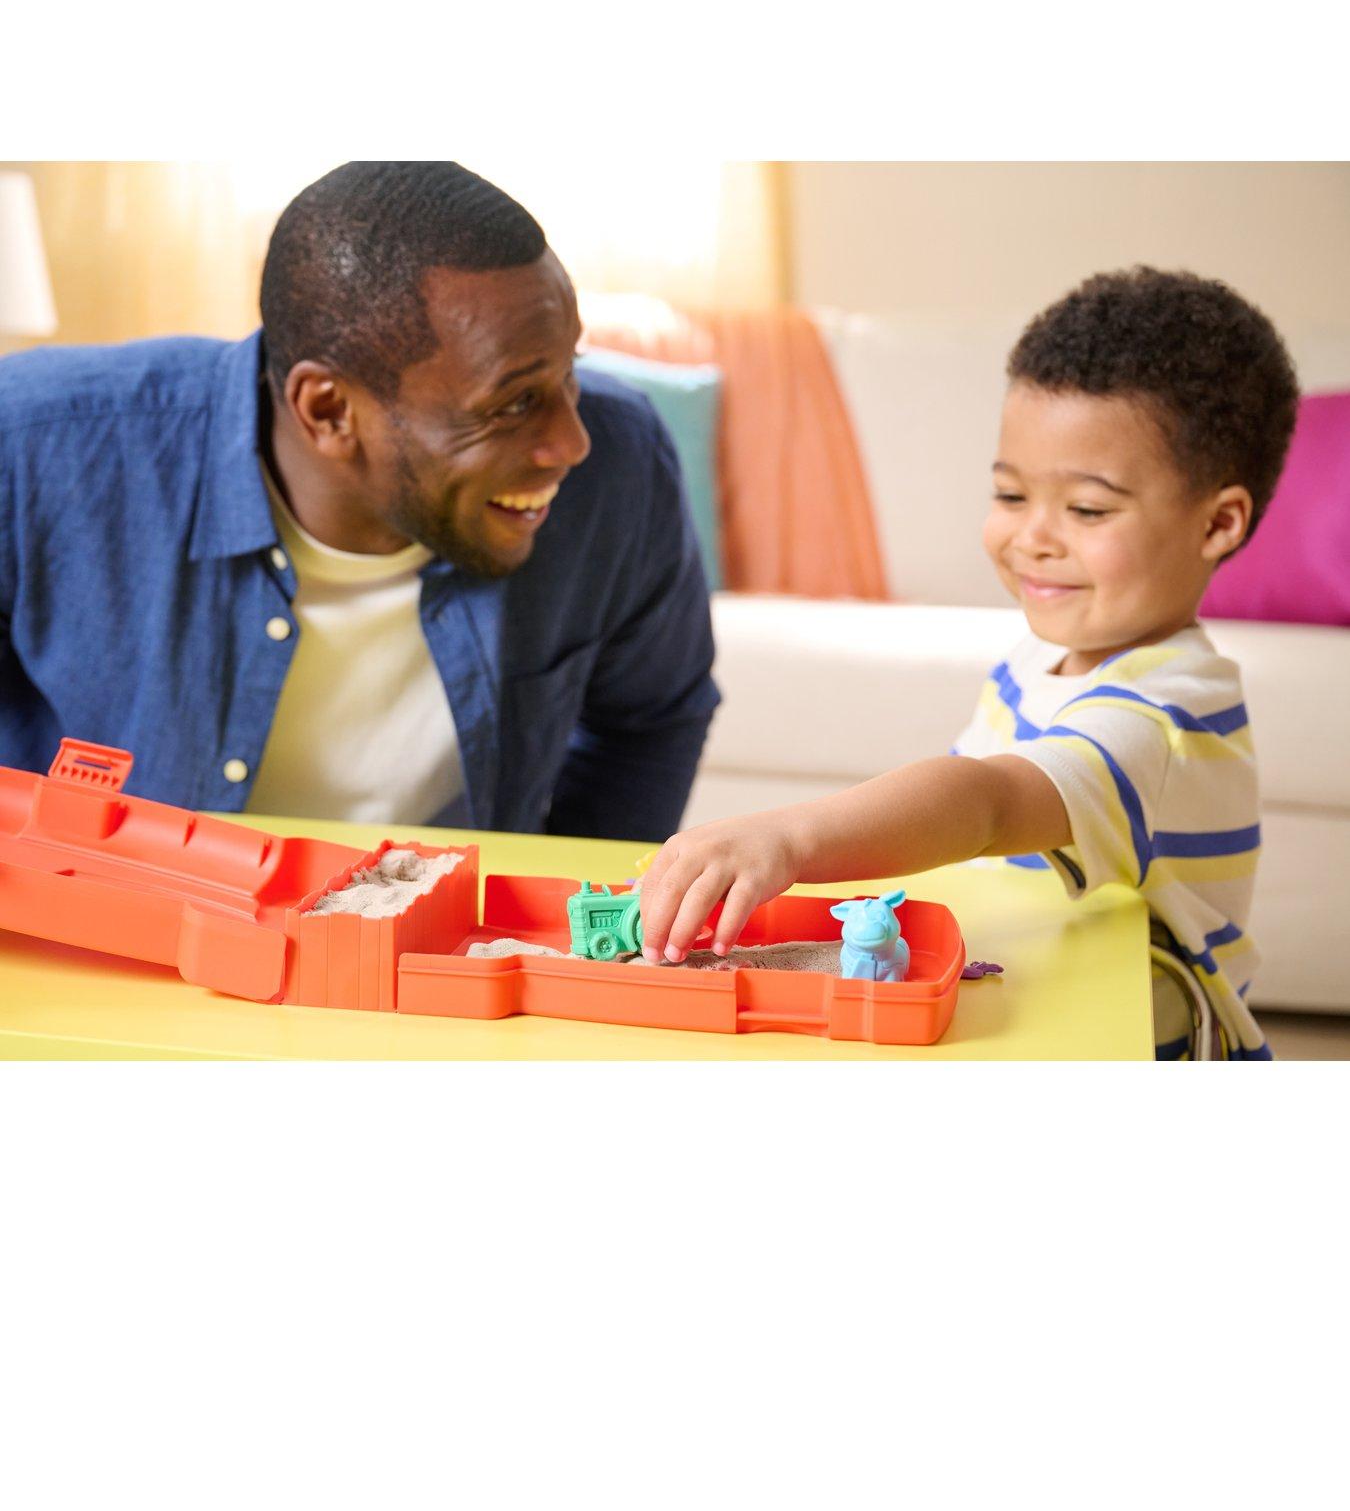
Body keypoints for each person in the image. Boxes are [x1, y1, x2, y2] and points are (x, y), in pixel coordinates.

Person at [638, 266, 1300, 1059]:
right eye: (1012, 495)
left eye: (1087, 509)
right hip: (1041, 1003)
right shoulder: (1048, 653)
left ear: (1219, 523)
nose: (1034, 537)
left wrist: (789, 837)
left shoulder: (1165, 715)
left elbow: (988, 802)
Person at [0, 162, 719, 839]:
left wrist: (563, 930)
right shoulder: (37, 447)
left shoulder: (622, 463)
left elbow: (649, 720)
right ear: (329, 410)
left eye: (570, 376)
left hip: (441, 949)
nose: (571, 442)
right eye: (515, 402)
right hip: (111, 945)